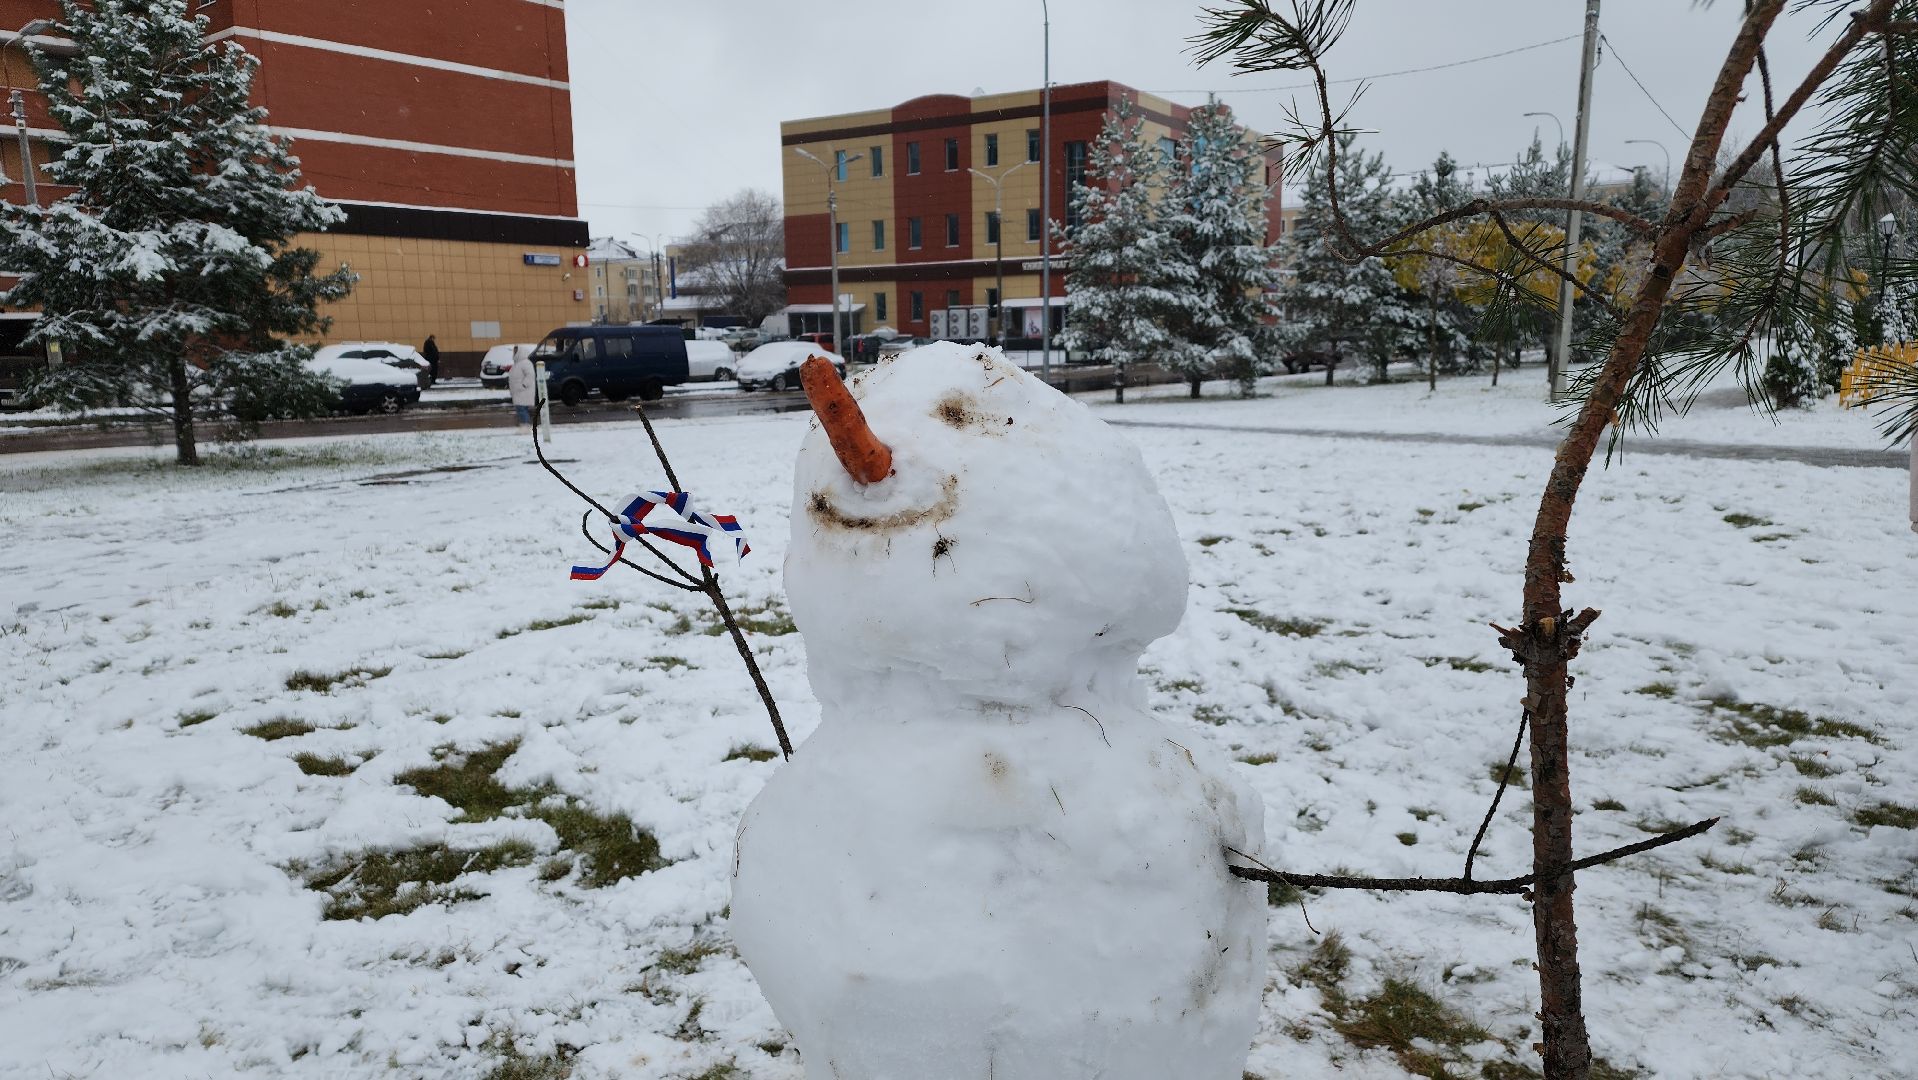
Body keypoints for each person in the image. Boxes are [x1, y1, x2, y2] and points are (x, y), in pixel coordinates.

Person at [509, 345, 538, 427]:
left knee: (522, 409)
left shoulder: (525, 363)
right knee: (520, 409)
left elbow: (530, 375)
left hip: (523, 391)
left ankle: (526, 426)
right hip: (518, 391)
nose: (514, 353)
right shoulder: (517, 364)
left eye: (515, 351)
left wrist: (523, 385)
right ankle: (524, 425)